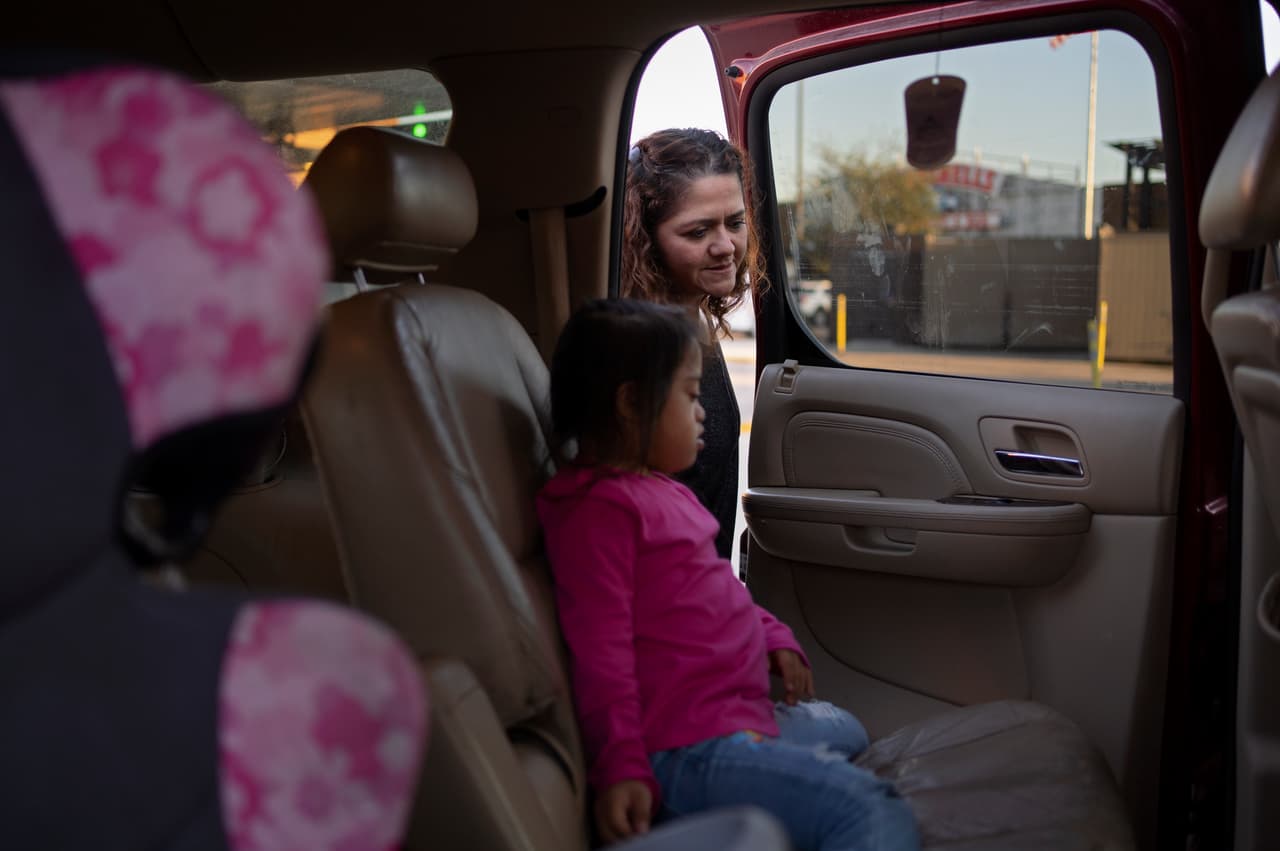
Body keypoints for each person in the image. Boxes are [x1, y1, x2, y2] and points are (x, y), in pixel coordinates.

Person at [536, 299, 919, 851]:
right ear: (630, 404)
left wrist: (773, 636)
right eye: (690, 396)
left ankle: (777, 775)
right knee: (865, 805)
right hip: (684, 749)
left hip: (728, 715)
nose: (703, 414)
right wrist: (623, 766)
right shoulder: (598, 514)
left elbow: (714, 590)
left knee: (844, 728)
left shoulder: (660, 490)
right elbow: (603, 654)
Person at [621, 128, 761, 561]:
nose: (726, 247)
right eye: (698, 232)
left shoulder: (693, 320)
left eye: (735, 223)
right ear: (646, 240)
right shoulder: (638, 352)